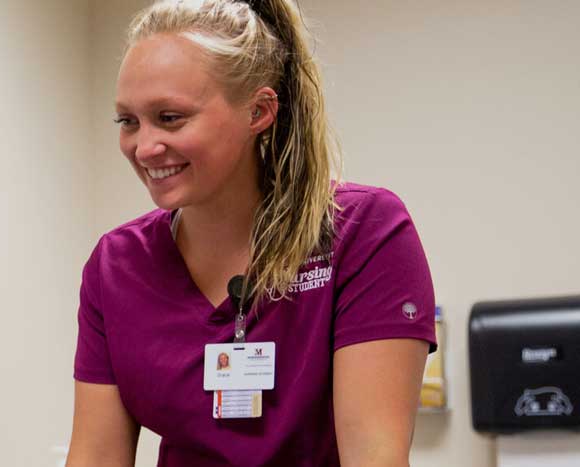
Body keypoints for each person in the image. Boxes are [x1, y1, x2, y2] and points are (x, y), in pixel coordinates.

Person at [66, 0, 436, 465]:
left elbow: (375, 456)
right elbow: (95, 455)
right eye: (128, 122)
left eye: (170, 117)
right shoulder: (117, 266)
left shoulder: (361, 231)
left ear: (258, 111)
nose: (144, 147)